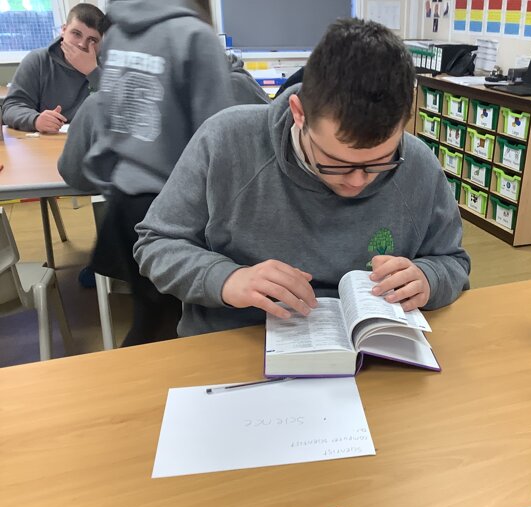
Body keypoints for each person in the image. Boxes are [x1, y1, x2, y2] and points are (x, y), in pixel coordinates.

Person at [134, 18, 470, 338]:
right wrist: (228, 279)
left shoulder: (418, 163)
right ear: (299, 113)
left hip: (375, 347)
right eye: (337, 163)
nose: (357, 181)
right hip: (237, 340)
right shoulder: (226, 141)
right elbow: (156, 243)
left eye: (379, 163)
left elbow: (452, 261)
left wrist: (428, 278)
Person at [82, 0, 235, 347]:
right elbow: (219, 137)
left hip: (124, 198)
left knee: (150, 321)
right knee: (179, 331)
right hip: (174, 208)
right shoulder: (195, 36)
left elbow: (103, 117)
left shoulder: (117, 32)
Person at [1, 3, 109, 133]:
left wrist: (93, 72)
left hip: (92, 140)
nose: (82, 44)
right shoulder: (38, 60)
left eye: (92, 40)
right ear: (63, 30)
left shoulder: (109, 66)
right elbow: (11, 107)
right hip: (47, 140)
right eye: (76, 34)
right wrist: (35, 120)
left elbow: (123, 111)